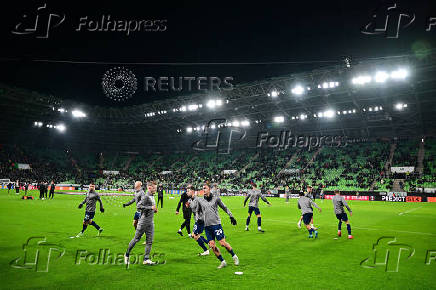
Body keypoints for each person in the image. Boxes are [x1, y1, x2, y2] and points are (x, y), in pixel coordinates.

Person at [196, 182, 239, 269]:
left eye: (205, 188)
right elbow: (197, 211)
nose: (203, 190)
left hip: (216, 224)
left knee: (222, 243)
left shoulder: (216, 199)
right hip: (207, 226)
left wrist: (231, 216)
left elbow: (224, 207)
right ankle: (223, 262)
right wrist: (198, 220)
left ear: (209, 189)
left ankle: (234, 256)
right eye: (202, 188)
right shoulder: (200, 200)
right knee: (212, 245)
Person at [124, 181, 158, 266]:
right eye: (154, 188)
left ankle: (146, 259)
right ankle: (126, 254)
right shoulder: (146, 196)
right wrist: (150, 207)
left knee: (149, 241)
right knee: (136, 239)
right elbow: (138, 206)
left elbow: (151, 207)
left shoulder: (152, 196)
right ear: (149, 188)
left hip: (150, 222)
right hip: (143, 221)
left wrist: (154, 209)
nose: (156, 189)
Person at [186, 185, 209, 256]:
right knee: (196, 235)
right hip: (199, 219)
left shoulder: (196, 199)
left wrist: (189, 203)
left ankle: (206, 250)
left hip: (200, 219)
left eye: (188, 191)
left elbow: (193, 207)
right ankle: (209, 243)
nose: (187, 193)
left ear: (192, 191)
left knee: (195, 235)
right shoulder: (193, 199)